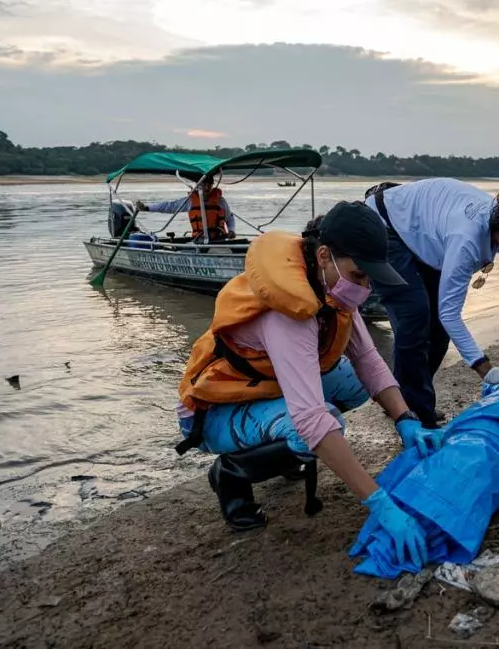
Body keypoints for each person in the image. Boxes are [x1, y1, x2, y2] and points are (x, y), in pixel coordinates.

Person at [174, 201, 440, 567]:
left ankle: (282, 451)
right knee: (319, 426)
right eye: (359, 275)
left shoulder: (331, 286)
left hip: (263, 387)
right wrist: (380, 503)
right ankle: (232, 474)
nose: (365, 287)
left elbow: (368, 360)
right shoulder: (289, 314)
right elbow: (314, 421)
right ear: (325, 255)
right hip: (213, 413)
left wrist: (406, 418)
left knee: (356, 384)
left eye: (369, 278)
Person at [365, 177, 499, 427]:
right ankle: (415, 414)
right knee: (414, 316)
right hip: (386, 224)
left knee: (438, 332)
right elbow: (450, 313)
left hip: (428, 236)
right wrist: (487, 370)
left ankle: (407, 400)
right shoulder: (467, 238)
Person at [135, 176, 235, 241]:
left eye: (209, 185)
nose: (207, 188)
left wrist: (231, 230)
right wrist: (147, 208)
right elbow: (169, 206)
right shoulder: (190, 201)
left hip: (220, 239)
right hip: (199, 240)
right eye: (204, 185)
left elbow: (229, 217)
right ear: (198, 186)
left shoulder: (220, 201)